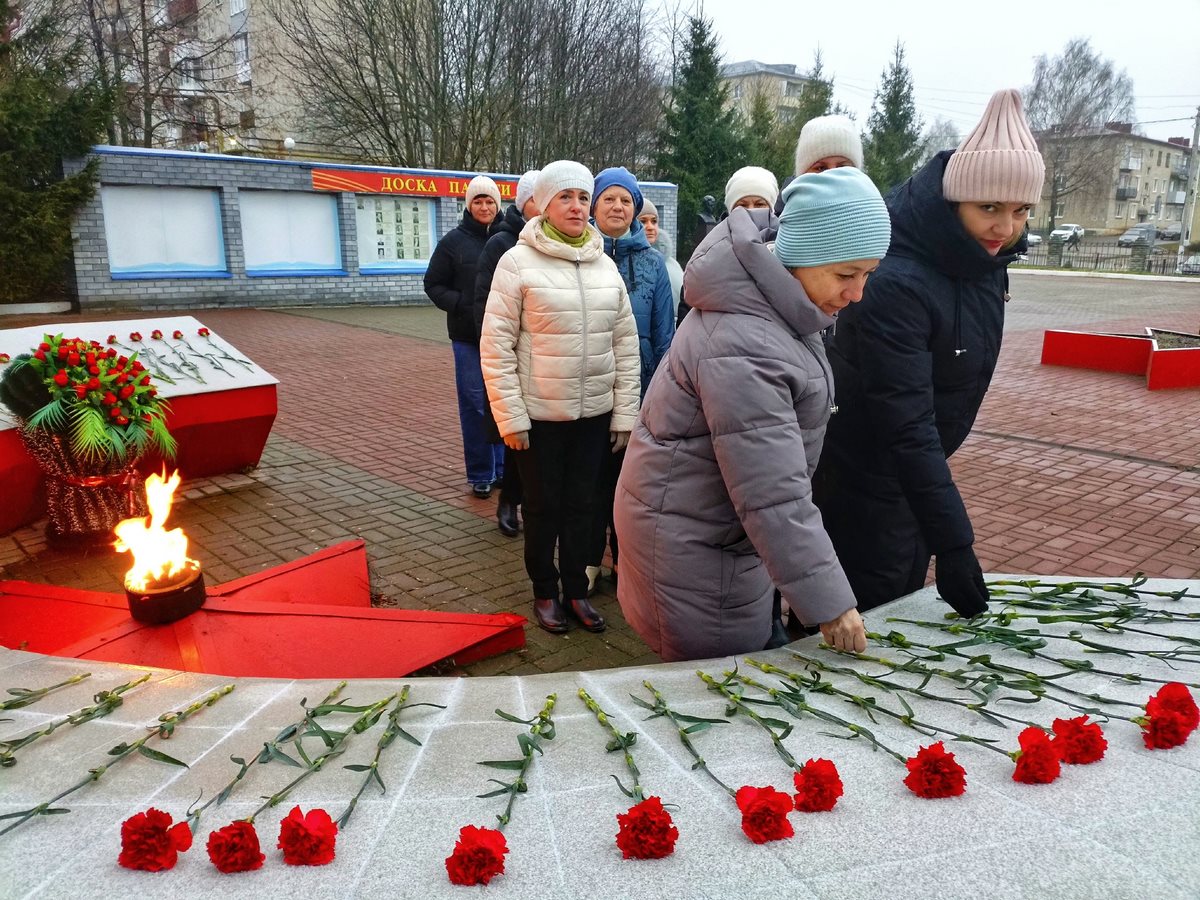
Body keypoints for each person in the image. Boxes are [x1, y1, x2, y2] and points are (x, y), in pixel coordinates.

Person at [613, 166, 891, 662]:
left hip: (702, 531)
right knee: (716, 699)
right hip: (696, 551)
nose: (858, 293)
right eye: (846, 274)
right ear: (799, 255)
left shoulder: (771, 305)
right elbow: (773, 494)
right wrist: (831, 604)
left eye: (867, 274)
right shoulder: (748, 342)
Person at [813, 88, 1045, 619]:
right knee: (861, 626)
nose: (1005, 228)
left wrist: (936, 524)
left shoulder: (979, 256)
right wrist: (955, 542)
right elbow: (906, 421)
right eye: (989, 207)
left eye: (1020, 211)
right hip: (865, 478)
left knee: (895, 608)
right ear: (953, 198)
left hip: (913, 476)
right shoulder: (896, 279)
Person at [480, 161, 640, 635]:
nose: (576, 206)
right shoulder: (517, 262)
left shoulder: (604, 265)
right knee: (544, 507)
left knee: (583, 506)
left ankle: (575, 590)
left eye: (581, 197)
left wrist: (624, 414)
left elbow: (625, 345)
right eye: (564, 197)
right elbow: (496, 344)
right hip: (540, 415)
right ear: (545, 205)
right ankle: (545, 592)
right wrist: (510, 417)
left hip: (594, 414)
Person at [584, 167, 676, 595]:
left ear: (636, 209)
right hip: (589, 390)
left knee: (631, 484)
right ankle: (586, 559)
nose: (618, 207)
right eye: (609, 199)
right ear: (594, 206)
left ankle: (625, 560)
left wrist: (658, 398)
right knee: (588, 482)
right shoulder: (581, 255)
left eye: (626, 200)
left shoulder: (653, 265)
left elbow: (664, 338)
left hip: (638, 393)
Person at [424, 175, 505, 498]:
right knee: (475, 405)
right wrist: (460, 305)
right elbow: (433, 284)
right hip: (467, 338)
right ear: (469, 205)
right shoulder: (453, 243)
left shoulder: (508, 238)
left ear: (498, 205)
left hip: (503, 338)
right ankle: (480, 472)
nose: (484, 207)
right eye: (478, 201)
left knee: (503, 405)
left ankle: (503, 469)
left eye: (489, 201)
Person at [473, 169, 540, 537]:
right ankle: (509, 500)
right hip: (515, 358)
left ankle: (528, 503)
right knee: (518, 440)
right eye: (536, 198)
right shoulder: (501, 244)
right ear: (523, 202)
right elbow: (486, 304)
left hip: (548, 361)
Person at [676, 166, 780, 326]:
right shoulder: (710, 251)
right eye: (742, 205)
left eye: (759, 204)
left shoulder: (786, 250)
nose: (751, 211)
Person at [637, 199, 683, 316]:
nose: (650, 227)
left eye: (654, 221)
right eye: (643, 221)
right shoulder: (629, 265)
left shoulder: (672, 264)